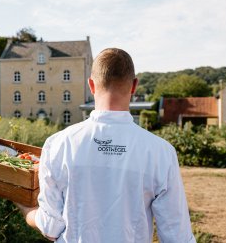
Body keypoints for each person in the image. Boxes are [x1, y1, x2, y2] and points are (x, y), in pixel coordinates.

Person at [15, 48, 196, 242]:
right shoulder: (161, 152)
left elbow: (51, 228)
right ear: (134, 86)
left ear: (91, 85)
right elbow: (177, 237)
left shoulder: (58, 144)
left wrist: (25, 208)